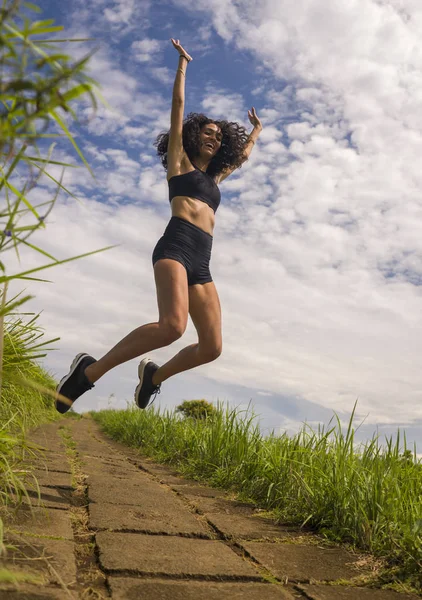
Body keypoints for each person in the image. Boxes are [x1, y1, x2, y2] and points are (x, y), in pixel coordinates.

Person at [55, 38, 262, 414]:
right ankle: (87, 372)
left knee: (212, 347)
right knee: (172, 327)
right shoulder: (179, 163)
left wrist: (256, 132)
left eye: (219, 136)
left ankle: (153, 377)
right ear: (194, 135)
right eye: (208, 133)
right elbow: (178, 107)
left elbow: (243, 157)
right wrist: (183, 65)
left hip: (202, 260)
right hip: (175, 247)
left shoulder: (215, 179)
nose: (214, 139)